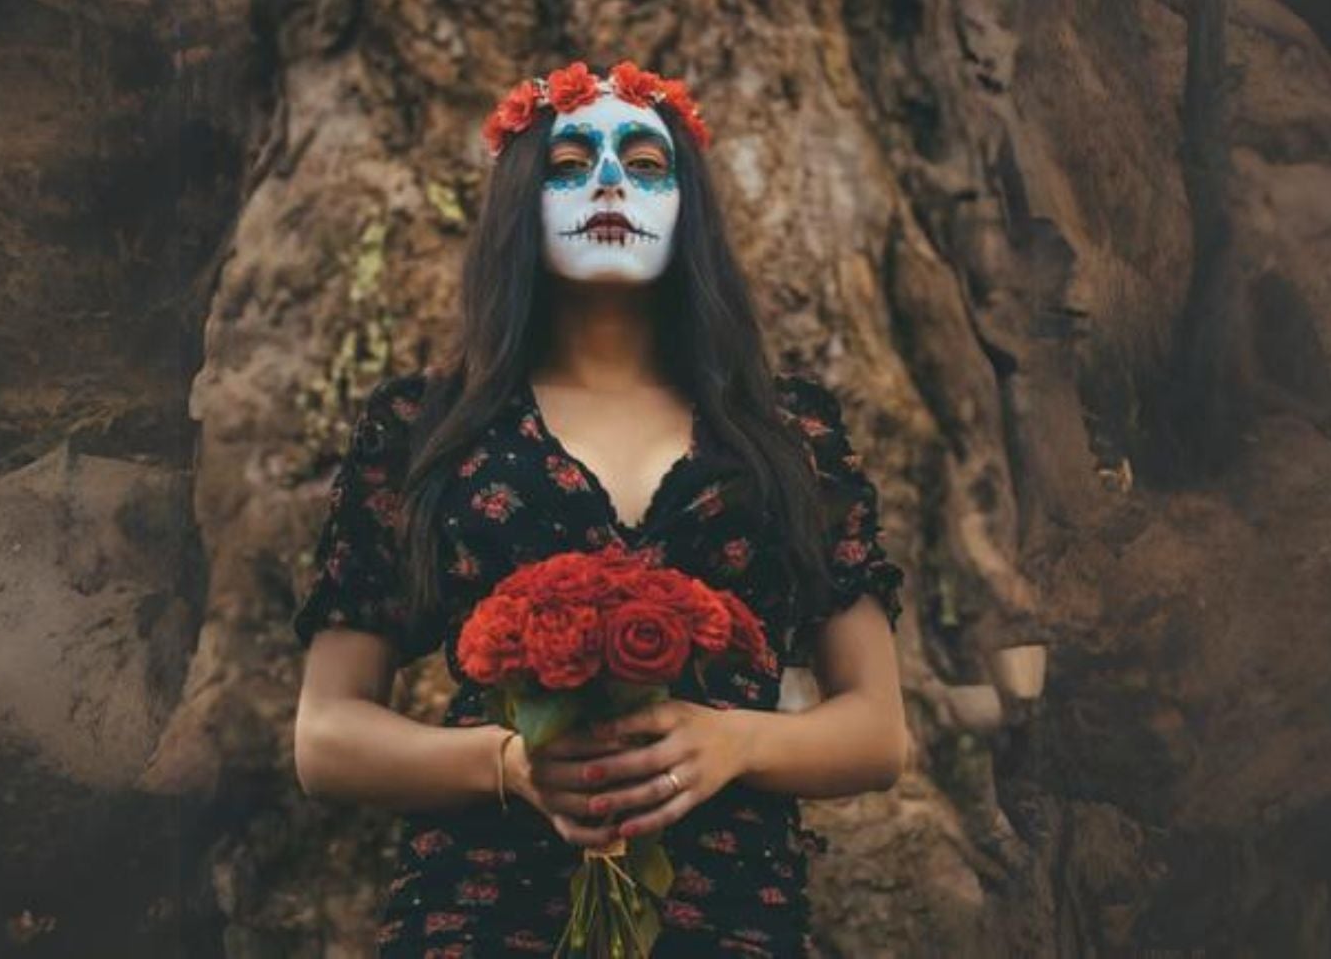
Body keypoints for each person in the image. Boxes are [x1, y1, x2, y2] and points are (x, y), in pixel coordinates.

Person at [290, 60, 909, 956]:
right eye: (571, 161)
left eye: (647, 165)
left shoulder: (788, 432)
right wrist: (509, 765)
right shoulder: (420, 428)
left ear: (687, 208)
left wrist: (734, 742)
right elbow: (326, 735)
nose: (610, 181)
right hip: (480, 909)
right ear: (519, 204)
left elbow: (879, 733)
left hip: (729, 908)